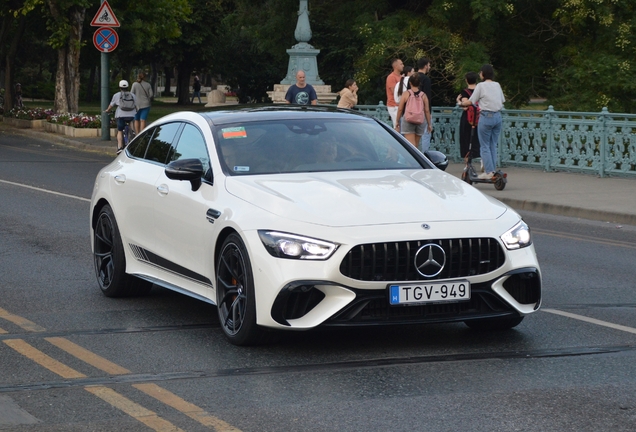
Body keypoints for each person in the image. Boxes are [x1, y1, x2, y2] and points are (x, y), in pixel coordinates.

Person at [458, 64, 505, 180]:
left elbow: (471, 102)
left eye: (480, 72)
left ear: (483, 74)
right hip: (498, 117)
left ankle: (489, 172)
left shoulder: (481, 86)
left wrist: (460, 103)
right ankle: (493, 169)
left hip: (486, 116)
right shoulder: (497, 85)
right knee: (493, 145)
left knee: (484, 146)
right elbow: (502, 100)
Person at [394, 72, 432, 148]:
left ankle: (410, 159)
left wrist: (397, 121)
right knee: (416, 145)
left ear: (410, 83)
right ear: (419, 84)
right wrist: (429, 124)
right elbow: (427, 111)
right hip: (420, 121)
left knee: (411, 145)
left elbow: (400, 108)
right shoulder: (423, 95)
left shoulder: (406, 94)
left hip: (408, 120)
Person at [104, 80, 138, 154]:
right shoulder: (132, 95)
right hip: (131, 115)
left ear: (120, 87)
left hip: (121, 115)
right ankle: (132, 132)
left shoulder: (117, 95)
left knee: (119, 130)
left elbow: (111, 105)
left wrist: (107, 110)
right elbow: (136, 105)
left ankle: (120, 147)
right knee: (131, 122)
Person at [456, 71, 481, 160]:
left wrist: (458, 101)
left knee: (465, 139)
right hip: (479, 118)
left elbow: (465, 107)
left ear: (466, 80)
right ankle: (483, 159)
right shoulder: (480, 91)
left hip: (468, 119)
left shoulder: (465, 92)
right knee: (479, 139)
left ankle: (467, 162)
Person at [416, 58, 433, 151]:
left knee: (414, 135)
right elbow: (427, 97)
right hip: (423, 110)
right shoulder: (426, 79)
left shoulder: (412, 78)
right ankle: (425, 156)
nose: (429, 67)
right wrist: (428, 113)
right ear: (425, 66)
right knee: (426, 134)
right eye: (429, 65)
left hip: (413, 110)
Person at [385, 58, 404, 127]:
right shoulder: (391, 77)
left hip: (400, 105)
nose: (403, 65)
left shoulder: (401, 77)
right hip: (394, 105)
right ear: (396, 66)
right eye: (401, 64)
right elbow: (395, 93)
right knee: (397, 126)